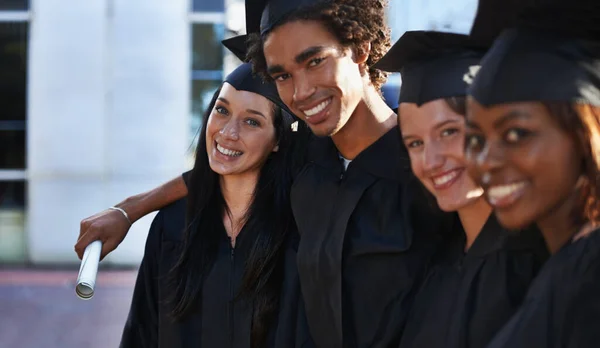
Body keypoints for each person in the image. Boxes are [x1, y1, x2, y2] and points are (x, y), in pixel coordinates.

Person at [79, 0, 445, 346]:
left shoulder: (431, 168)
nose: (300, 91)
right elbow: (218, 170)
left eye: (315, 60)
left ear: (360, 49)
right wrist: (130, 210)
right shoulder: (310, 156)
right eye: (282, 74)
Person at [120, 38, 313, 347]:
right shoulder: (173, 226)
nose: (228, 132)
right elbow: (141, 334)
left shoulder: (298, 234)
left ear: (278, 140)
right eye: (222, 110)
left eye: (252, 121)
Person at [373, 30, 549, 348]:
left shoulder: (541, 263)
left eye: (450, 131)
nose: (430, 160)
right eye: (415, 143)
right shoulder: (437, 259)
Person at [464, 1, 600, 346]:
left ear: (585, 133)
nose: (486, 160)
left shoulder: (589, 277)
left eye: (516, 134)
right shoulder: (557, 263)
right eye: (476, 138)